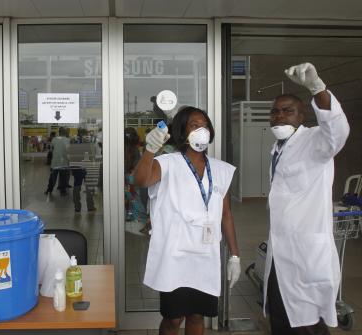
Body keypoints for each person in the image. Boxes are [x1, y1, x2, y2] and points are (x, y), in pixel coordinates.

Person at [134, 106, 240, 335]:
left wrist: (234, 255)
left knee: (196, 316)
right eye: (194, 125)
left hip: (205, 255)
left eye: (204, 125)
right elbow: (141, 180)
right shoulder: (168, 163)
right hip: (175, 256)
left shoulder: (221, 170)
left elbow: (226, 215)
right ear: (183, 131)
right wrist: (150, 149)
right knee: (173, 319)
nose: (201, 129)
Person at [263, 63, 350, 335]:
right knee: (279, 312)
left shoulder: (316, 142)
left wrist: (317, 88)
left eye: (288, 111)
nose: (279, 116)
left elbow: (337, 130)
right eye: (275, 111)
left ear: (303, 115)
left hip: (306, 252)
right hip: (280, 249)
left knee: (307, 322)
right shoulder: (277, 148)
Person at [45, 127, 70, 196]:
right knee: (63, 177)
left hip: (55, 162)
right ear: (64, 132)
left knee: (53, 177)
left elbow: (50, 150)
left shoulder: (54, 139)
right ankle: (62, 191)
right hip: (63, 162)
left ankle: (49, 190)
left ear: (59, 132)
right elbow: (68, 151)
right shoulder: (67, 140)